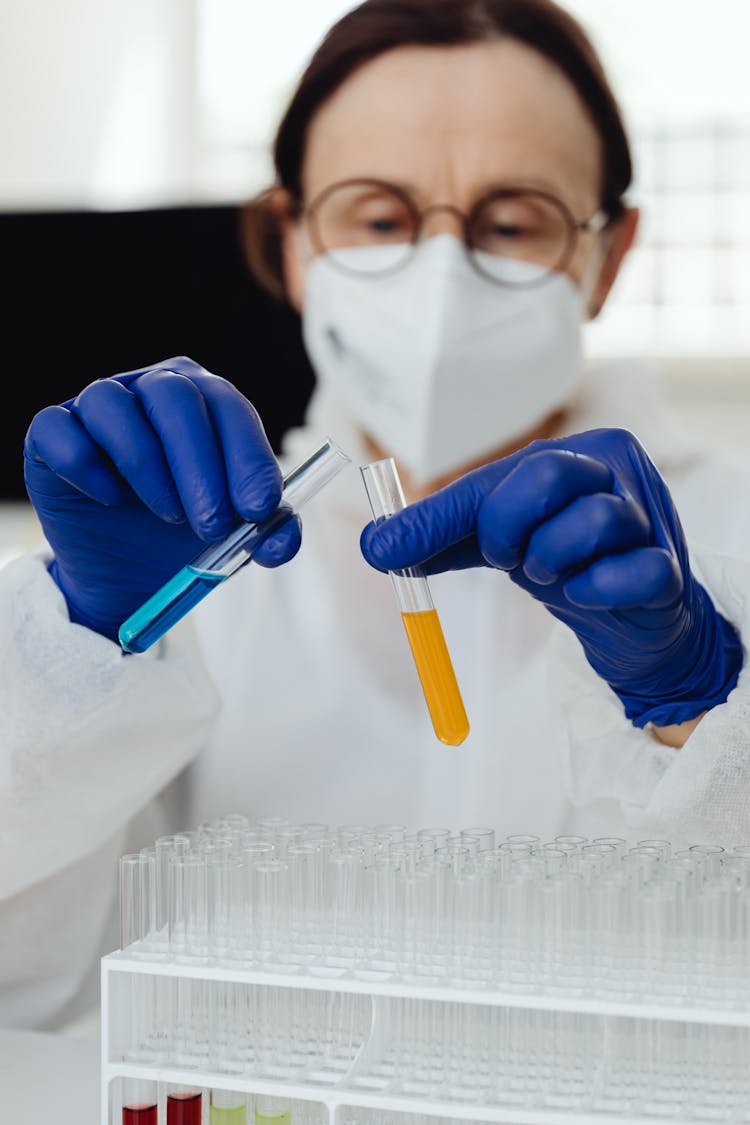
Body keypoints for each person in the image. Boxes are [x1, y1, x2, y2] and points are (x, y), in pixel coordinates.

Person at [2, 0, 749, 1032]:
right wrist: (82, 645)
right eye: (380, 218)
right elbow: (37, 988)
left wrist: (702, 709)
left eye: (512, 221)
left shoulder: (729, 534)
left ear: (608, 257)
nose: (440, 278)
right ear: (295, 243)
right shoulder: (197, 547)